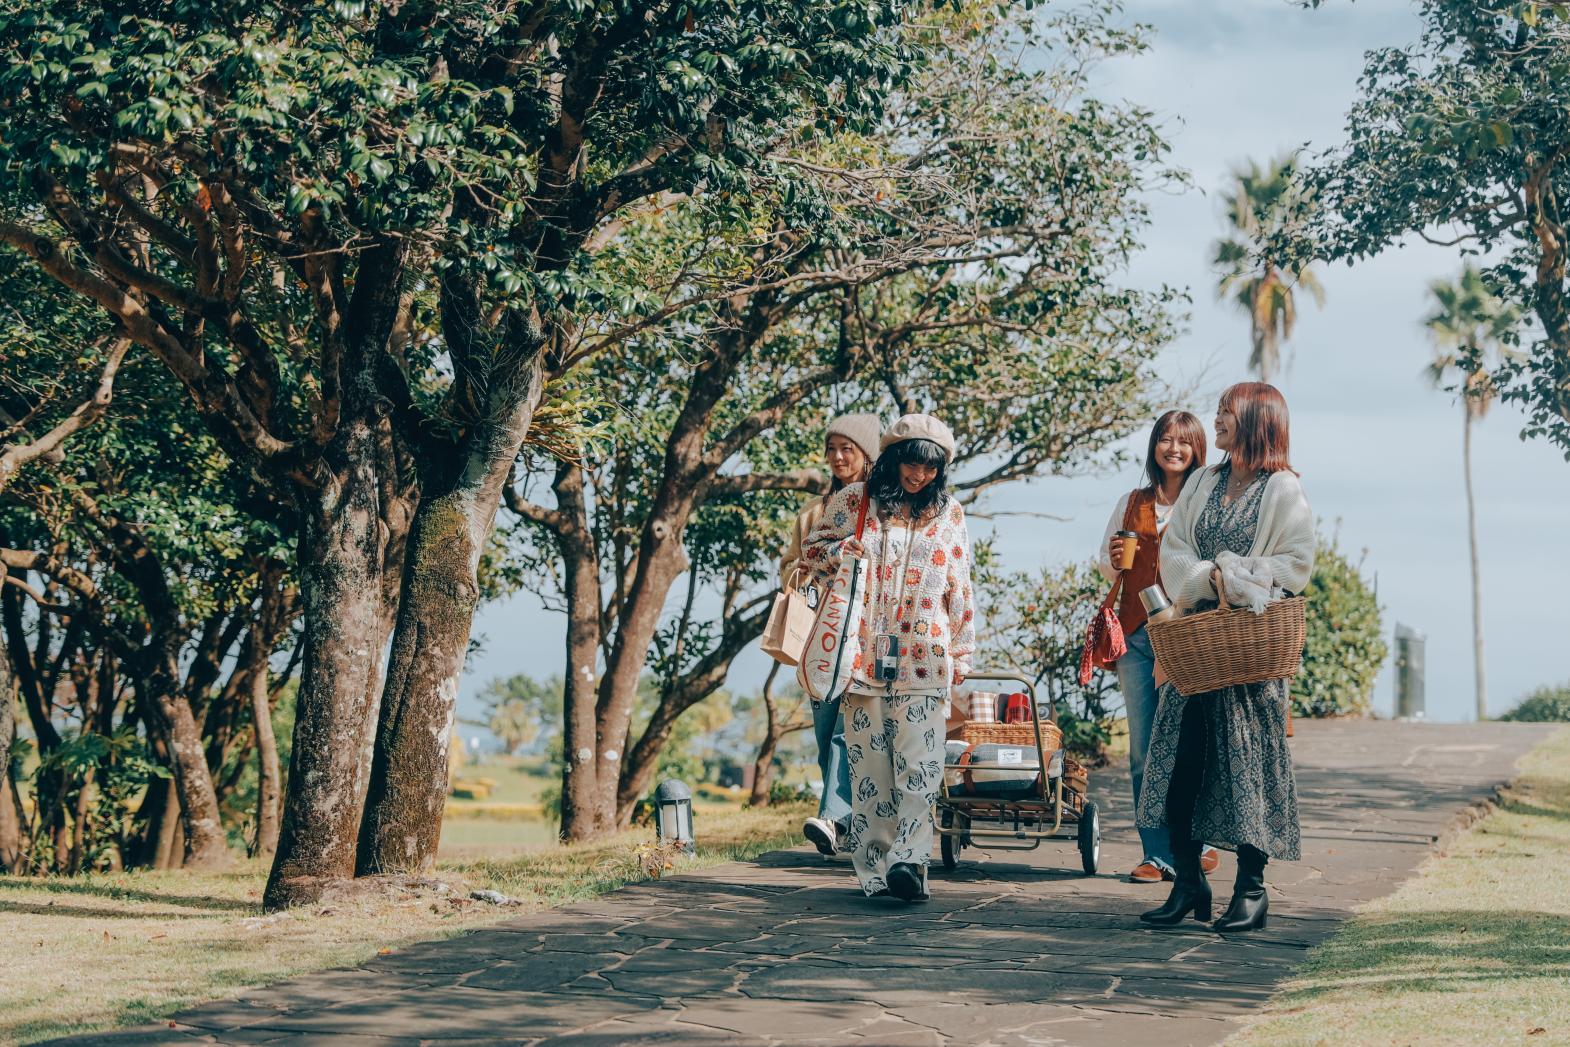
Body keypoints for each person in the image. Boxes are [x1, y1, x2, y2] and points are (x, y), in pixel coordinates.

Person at [1136, 383, 1314, 933]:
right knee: (1182, 766)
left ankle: (1252, 890)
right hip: (1197, 651)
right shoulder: (1204, 481)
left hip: (1250, 658)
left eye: (1225, 413)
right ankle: (1189, 883)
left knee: (1250, 768)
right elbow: (1173, 552)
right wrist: (1208, 578)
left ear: (1257, 422)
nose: (1215, 422)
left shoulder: (1284, 489)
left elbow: (1296, 565)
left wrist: (1234, 578)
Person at [802, 414, 975, 902]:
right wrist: (842, 549)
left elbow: (961, 586)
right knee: (872, 775)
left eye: (930, 469)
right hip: (862, 658)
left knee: (919, 771)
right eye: (911, 464)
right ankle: (875, 869)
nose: (919, 476)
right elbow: (809, 557)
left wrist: (962, 650)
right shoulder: (855, 502)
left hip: (925, 660)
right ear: (894, 458)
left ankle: (910, 862)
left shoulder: (951, 514)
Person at [1095, 410, 1219, 885]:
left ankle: (1201, 842)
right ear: (1153, 447)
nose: (1173, 449)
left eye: (1183, 442)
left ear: (1196, 449)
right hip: (1136, 633)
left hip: (1189, 633)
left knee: (1194, 740)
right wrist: (1113, 560)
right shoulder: (1132, 502)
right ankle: (1157, 852)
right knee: (1143, 747)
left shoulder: (1207, 500)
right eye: (1165, 440)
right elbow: (1108, 566)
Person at [783, 413, 881, 857]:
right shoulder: (812, 516)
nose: (839, 458)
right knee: (826, 735)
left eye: (849, 449)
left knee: (846, 731)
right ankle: (849, 820)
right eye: (833, 450)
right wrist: (801, 568)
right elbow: (788, 566)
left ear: (868, 456)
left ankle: (834, 818)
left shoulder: (883, 508)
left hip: (864, 638)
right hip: (820, 637)